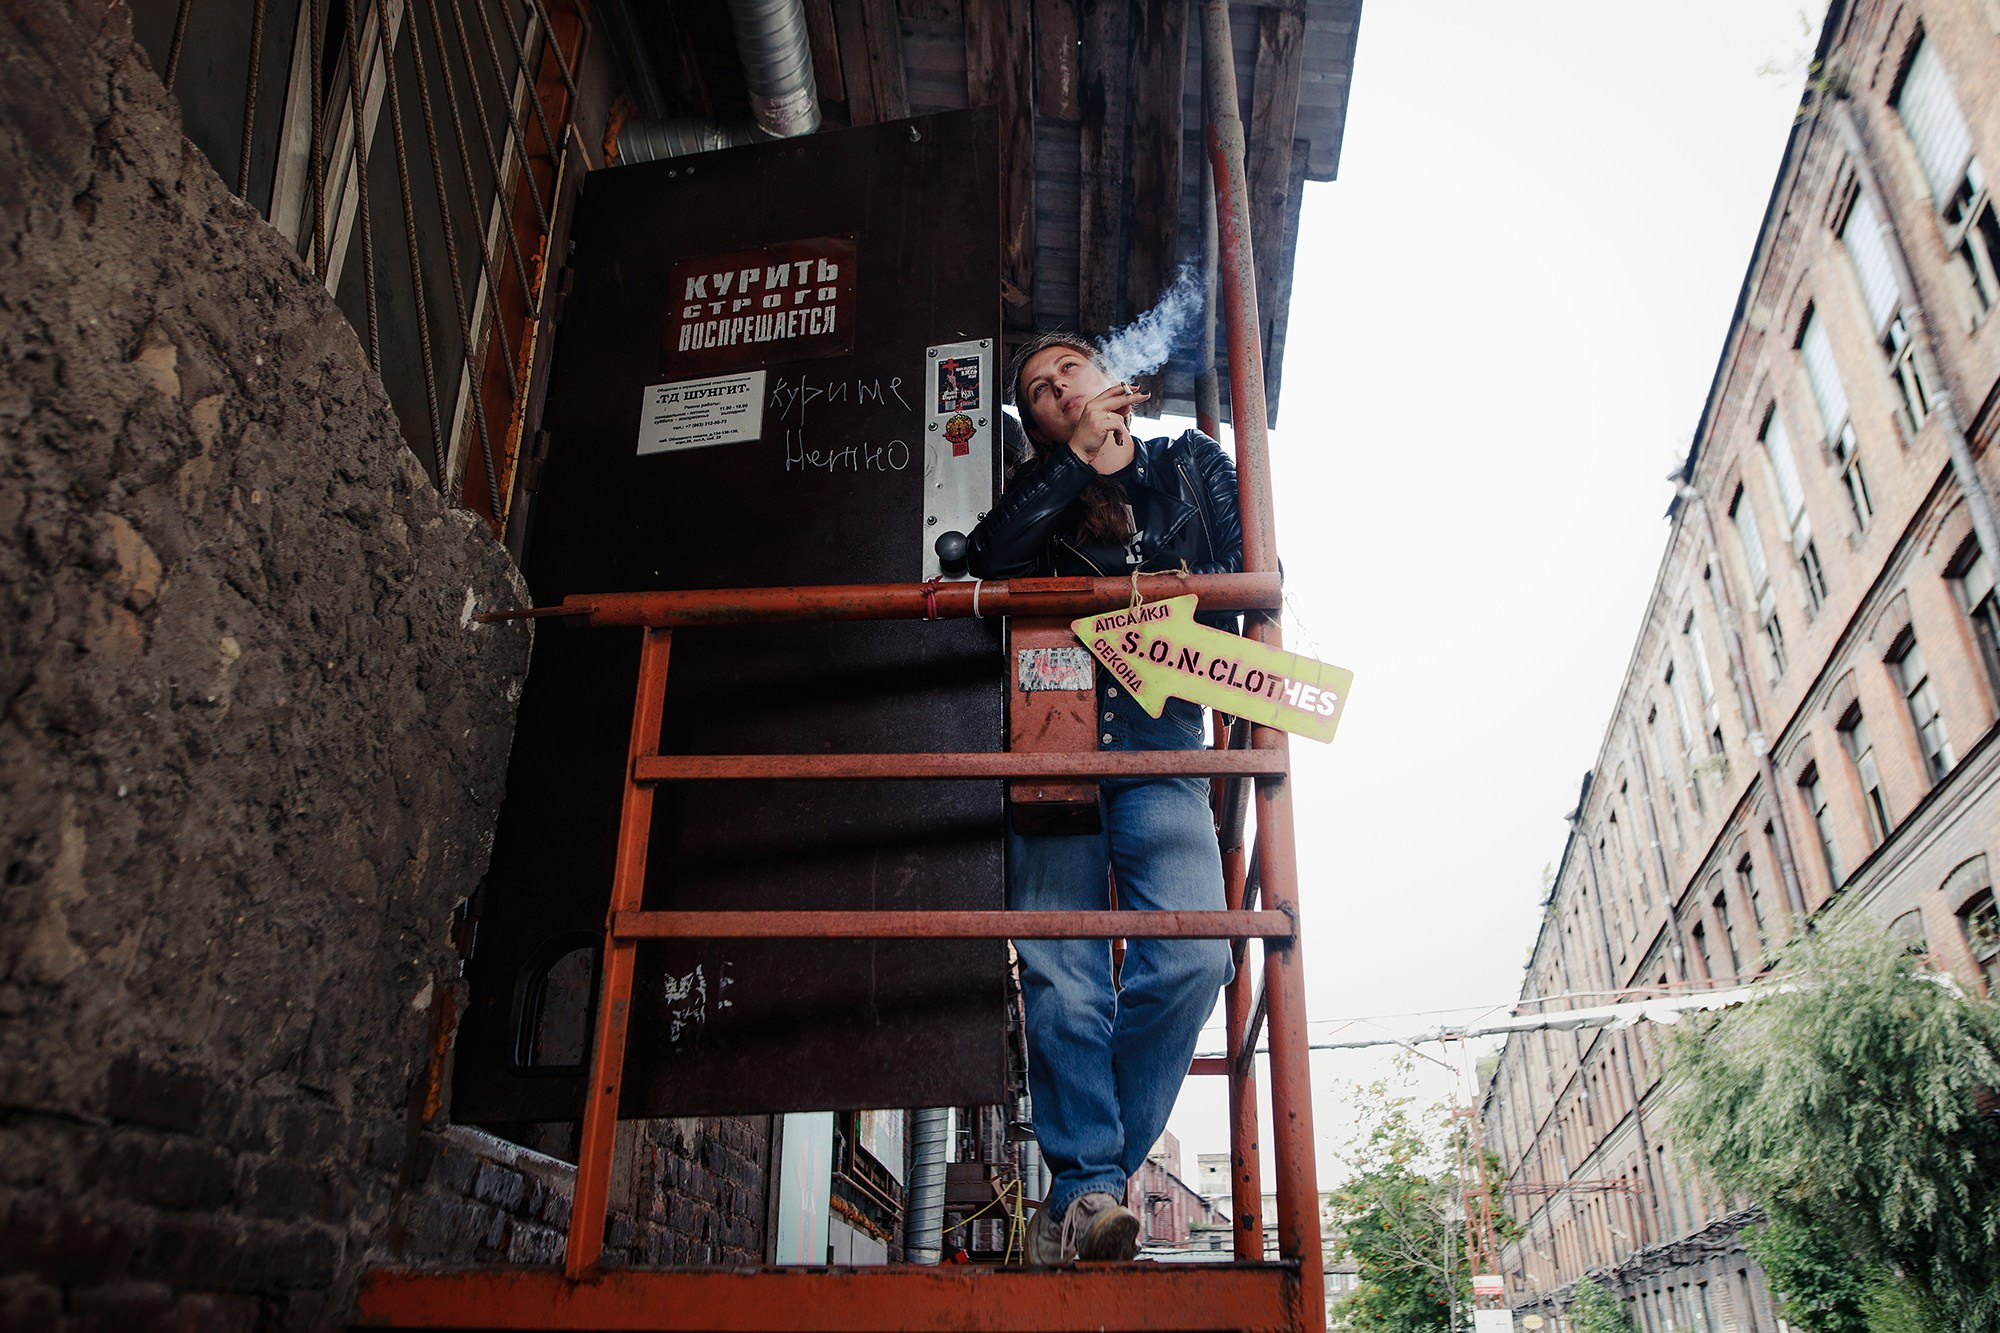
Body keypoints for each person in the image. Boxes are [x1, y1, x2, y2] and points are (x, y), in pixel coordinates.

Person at [967, 333, 1243, 1263]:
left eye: (1068, 371)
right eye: (1039, 392)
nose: (1056, 389)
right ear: (1041, 422)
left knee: (1198, 955)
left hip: (1164, 731)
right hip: (1055, 723)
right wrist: (1074, 460)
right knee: (1060, 973)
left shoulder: (1192, 463)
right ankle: (1091, 1187)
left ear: (1108, 377)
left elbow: (1245, 590)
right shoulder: (1035, 492)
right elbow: (993, 561)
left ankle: (1088, 1183)